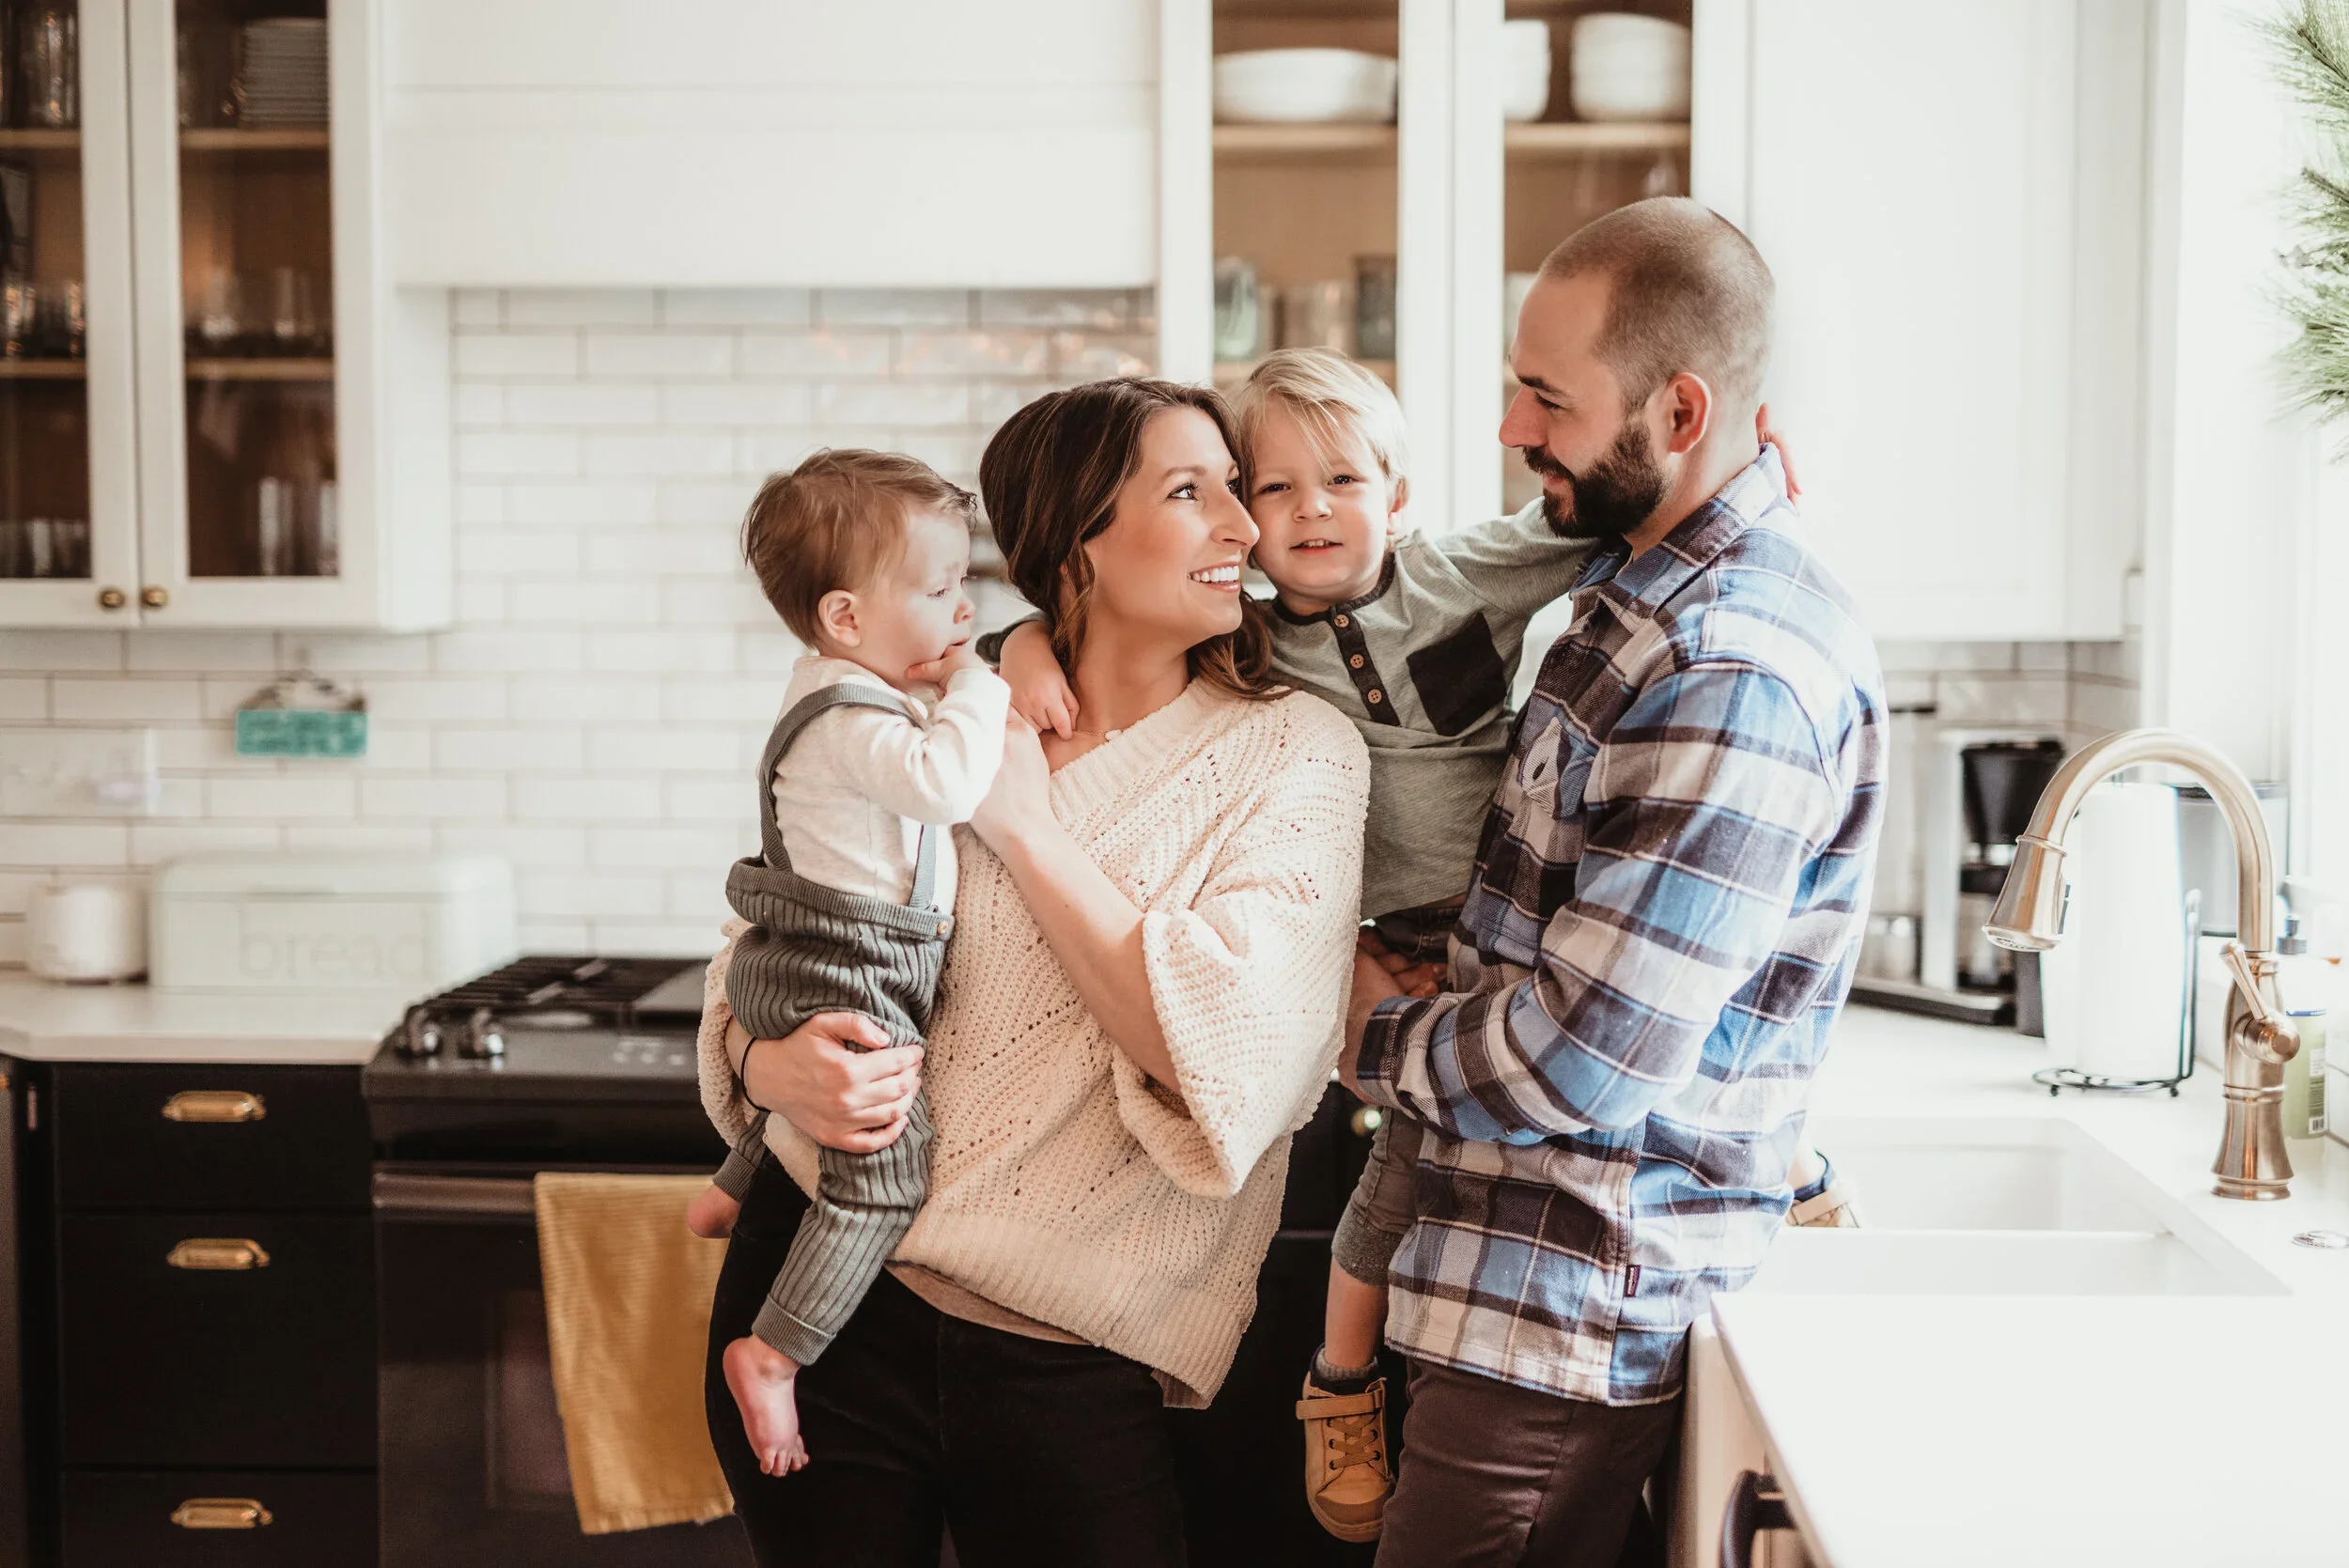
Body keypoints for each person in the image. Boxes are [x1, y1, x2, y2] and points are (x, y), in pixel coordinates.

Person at [1000, 348, 1856, 1545]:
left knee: (1686, 1021)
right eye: (1273, 487)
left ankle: (1796, 1174)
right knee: (1392, 1188)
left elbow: (1618, 519)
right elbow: (1084, 615)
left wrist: (1750, 460)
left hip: (1526, 933)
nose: (1307, 513)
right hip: (1406, 958)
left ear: (1397, 496)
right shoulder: (1241, 640)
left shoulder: (1464, 575)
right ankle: (1340, 1383)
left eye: (1342, 481)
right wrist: (1024, 652)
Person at [694, 378, 1372, 1568]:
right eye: (1188, 490)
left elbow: (1231, 1056)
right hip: (820, 1310)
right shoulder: (924, 718)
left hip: (1074, 1355)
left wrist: (1028, 831)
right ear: (1076, 543)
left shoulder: (1293, 755)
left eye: (1233, 486)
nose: (1244, 524)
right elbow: (777, 939)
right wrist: (764, 1060)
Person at [1342, 196, 1886, 1568]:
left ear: (1683, 411)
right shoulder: (1637, 581)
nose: (1516, 432)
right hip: (1517, 1293)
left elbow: (1586, 1062)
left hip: (1562, 1318)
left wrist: (1352, 1033)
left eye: (1547, 398)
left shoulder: (1730, 671)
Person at [683, 449, 1012, 1478]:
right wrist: (980, 685)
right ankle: (776, 1350)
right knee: (881, 1175)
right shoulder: (855, 717)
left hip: (817, 953)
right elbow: (947, 784)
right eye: (937, 590)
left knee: (821, 1102)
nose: (961, 611)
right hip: (847, 963)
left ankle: (735, 1185)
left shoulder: (838, 693)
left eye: (965, 586)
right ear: (845, 619)